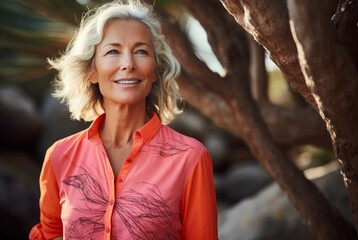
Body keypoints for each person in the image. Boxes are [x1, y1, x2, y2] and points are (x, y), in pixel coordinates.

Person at [29, 0, 218, 239]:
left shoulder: (190, 158)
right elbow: (50, 234)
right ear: (92, 71)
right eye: (113, 51)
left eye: (141, 51)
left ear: (155, 70)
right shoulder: (60, 156)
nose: (128, 64)